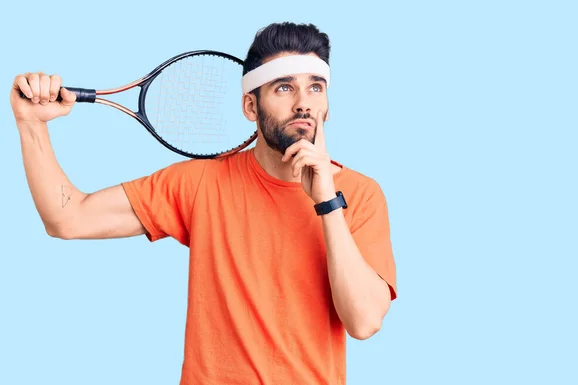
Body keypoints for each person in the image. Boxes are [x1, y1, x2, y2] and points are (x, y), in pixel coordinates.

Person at [10, 22, 397, 385]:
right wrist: (32, 124)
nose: (303, 103)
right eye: (283, 87)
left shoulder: (360, 194)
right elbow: (68, 218)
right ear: (250, 106)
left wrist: (327, 201)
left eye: (315, 87)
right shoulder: (201, 183)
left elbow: (363, 322)